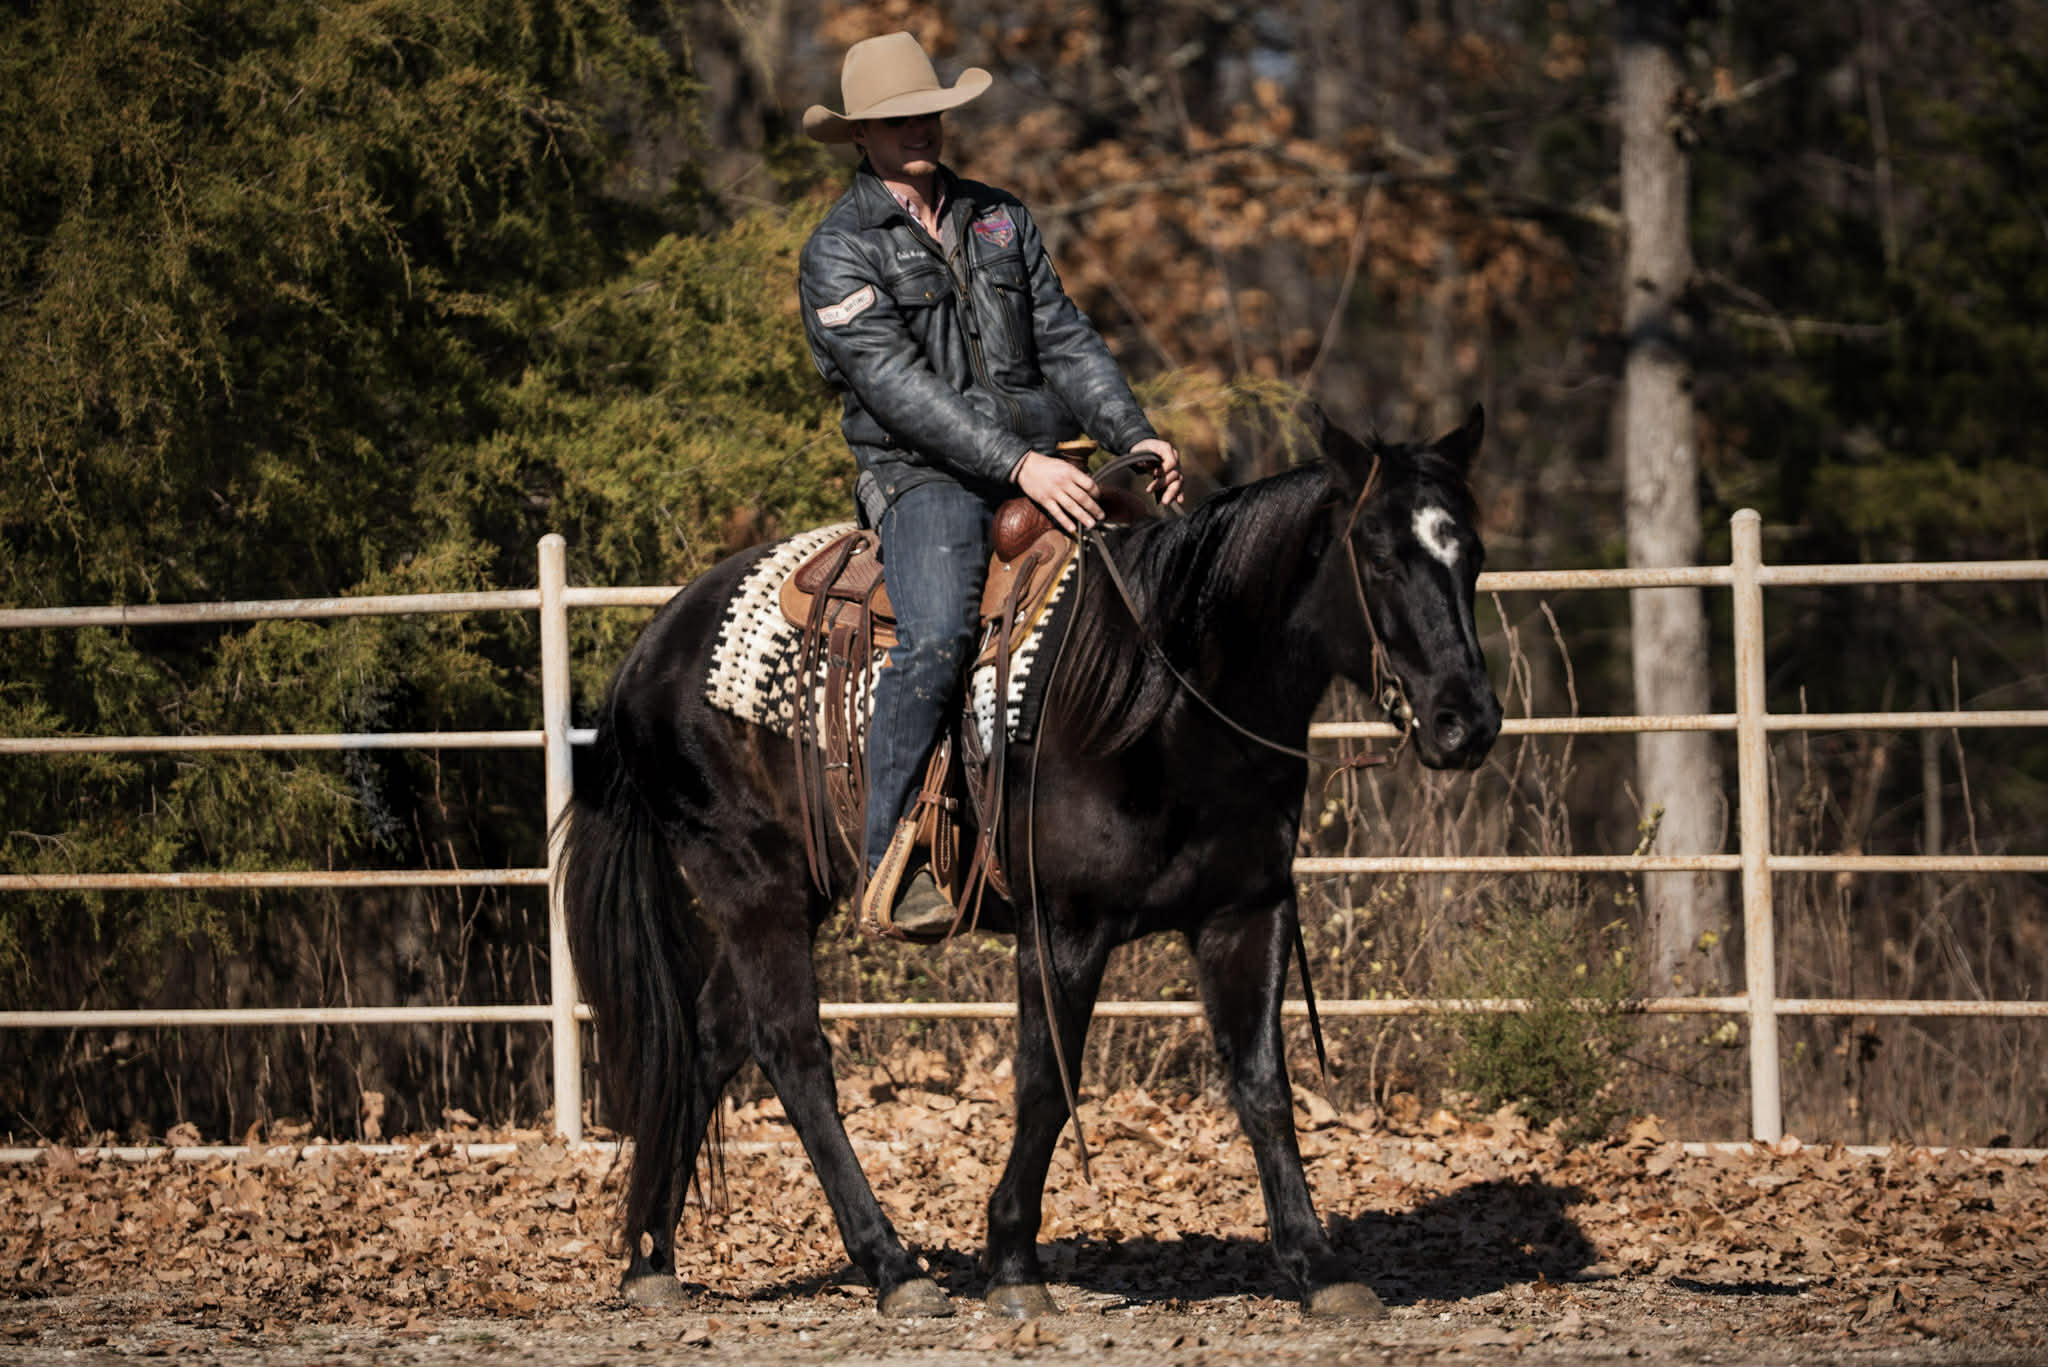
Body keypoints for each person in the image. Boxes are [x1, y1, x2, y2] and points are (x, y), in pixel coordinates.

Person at [798, 31, 1183, 938]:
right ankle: (891, 859)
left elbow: (1066, 338)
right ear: (860, 135)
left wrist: (1133, 433)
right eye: (896, 119)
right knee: (936, 638)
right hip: (922, 476)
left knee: (1163, 588)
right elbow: (896, 388)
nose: (919, 127)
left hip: (1045, 460)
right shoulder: (838, 250)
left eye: (928, 111)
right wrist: (1019, 464)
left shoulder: (998, 217)